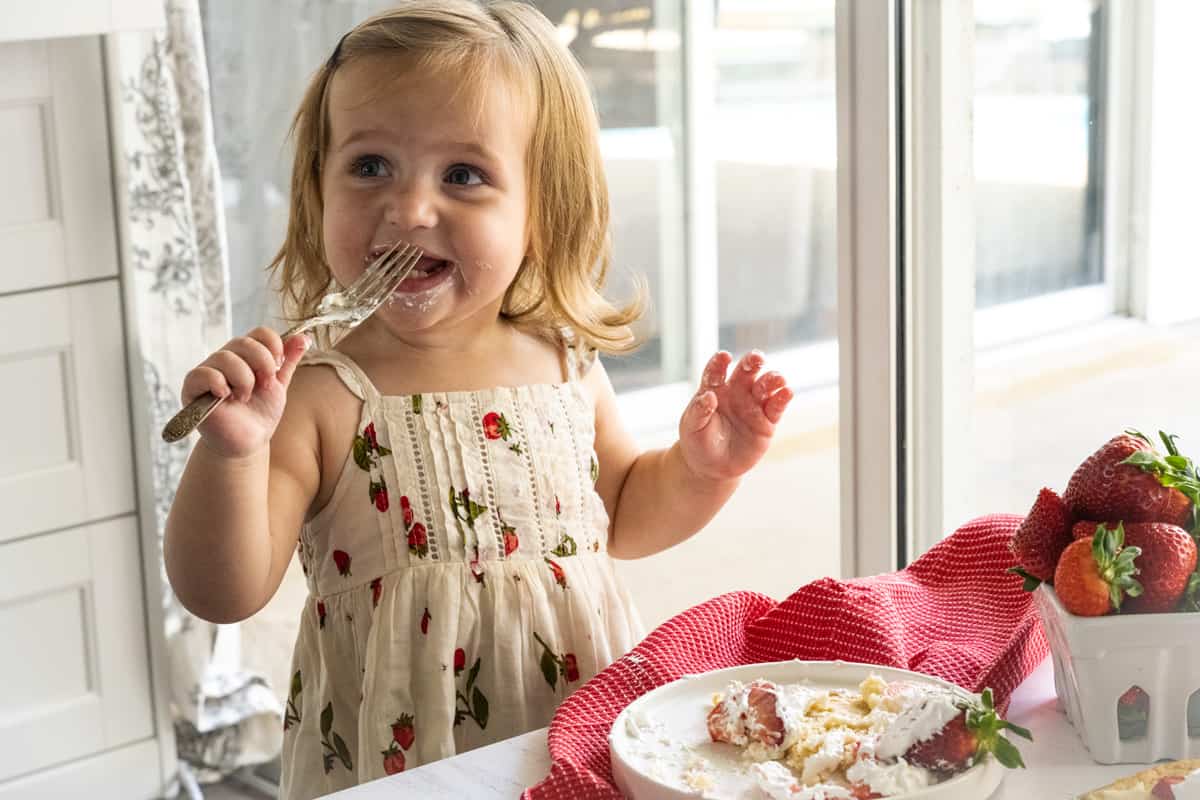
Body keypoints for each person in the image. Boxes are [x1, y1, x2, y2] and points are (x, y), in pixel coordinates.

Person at [164, 2, 793, 797]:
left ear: (540, 210)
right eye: (369, 166)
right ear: (316, 187)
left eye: (463, 176)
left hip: (566, 739)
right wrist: (233, 452)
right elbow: (222, 591)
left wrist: (704, 471)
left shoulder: (563, 365)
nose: (410, 209)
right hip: (402, 768)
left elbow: (628, 515)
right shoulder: (320, 396)